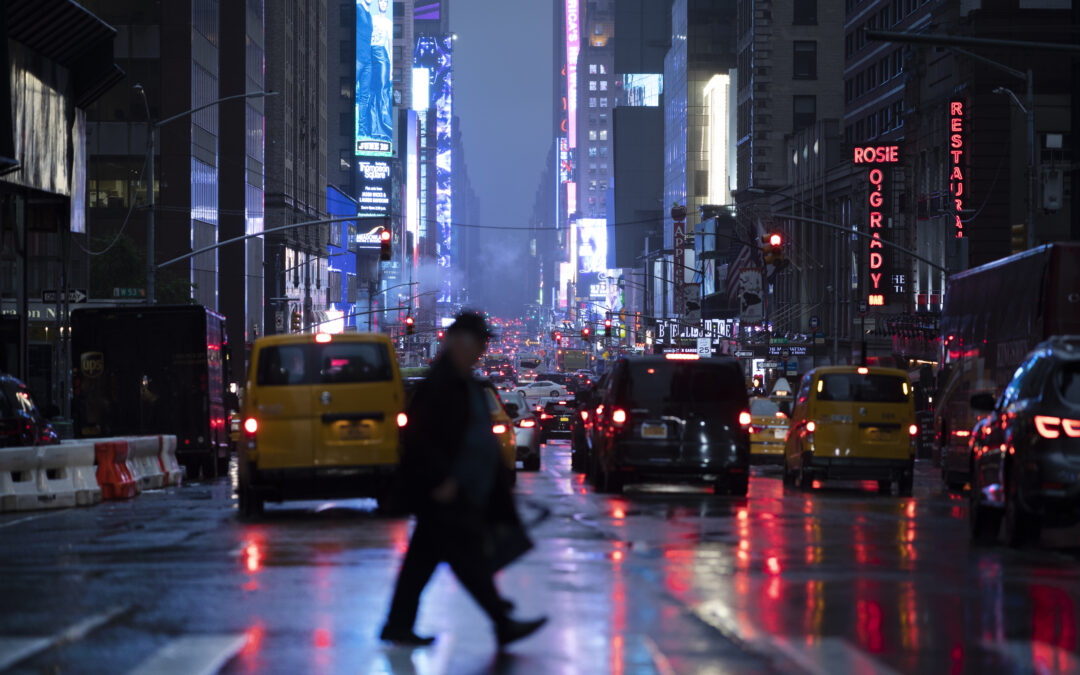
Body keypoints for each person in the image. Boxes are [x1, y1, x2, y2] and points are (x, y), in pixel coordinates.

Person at [381, 312, 547, 648]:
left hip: (460, 490)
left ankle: (399, 624)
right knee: (462, 561)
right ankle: (500, 620)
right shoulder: (442, 385)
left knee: (432, 561)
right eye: (479, 343)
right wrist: (440, 480)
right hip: (446, 492)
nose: (482, 350)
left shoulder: (462, 381)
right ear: (458, 342)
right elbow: (420, 439)